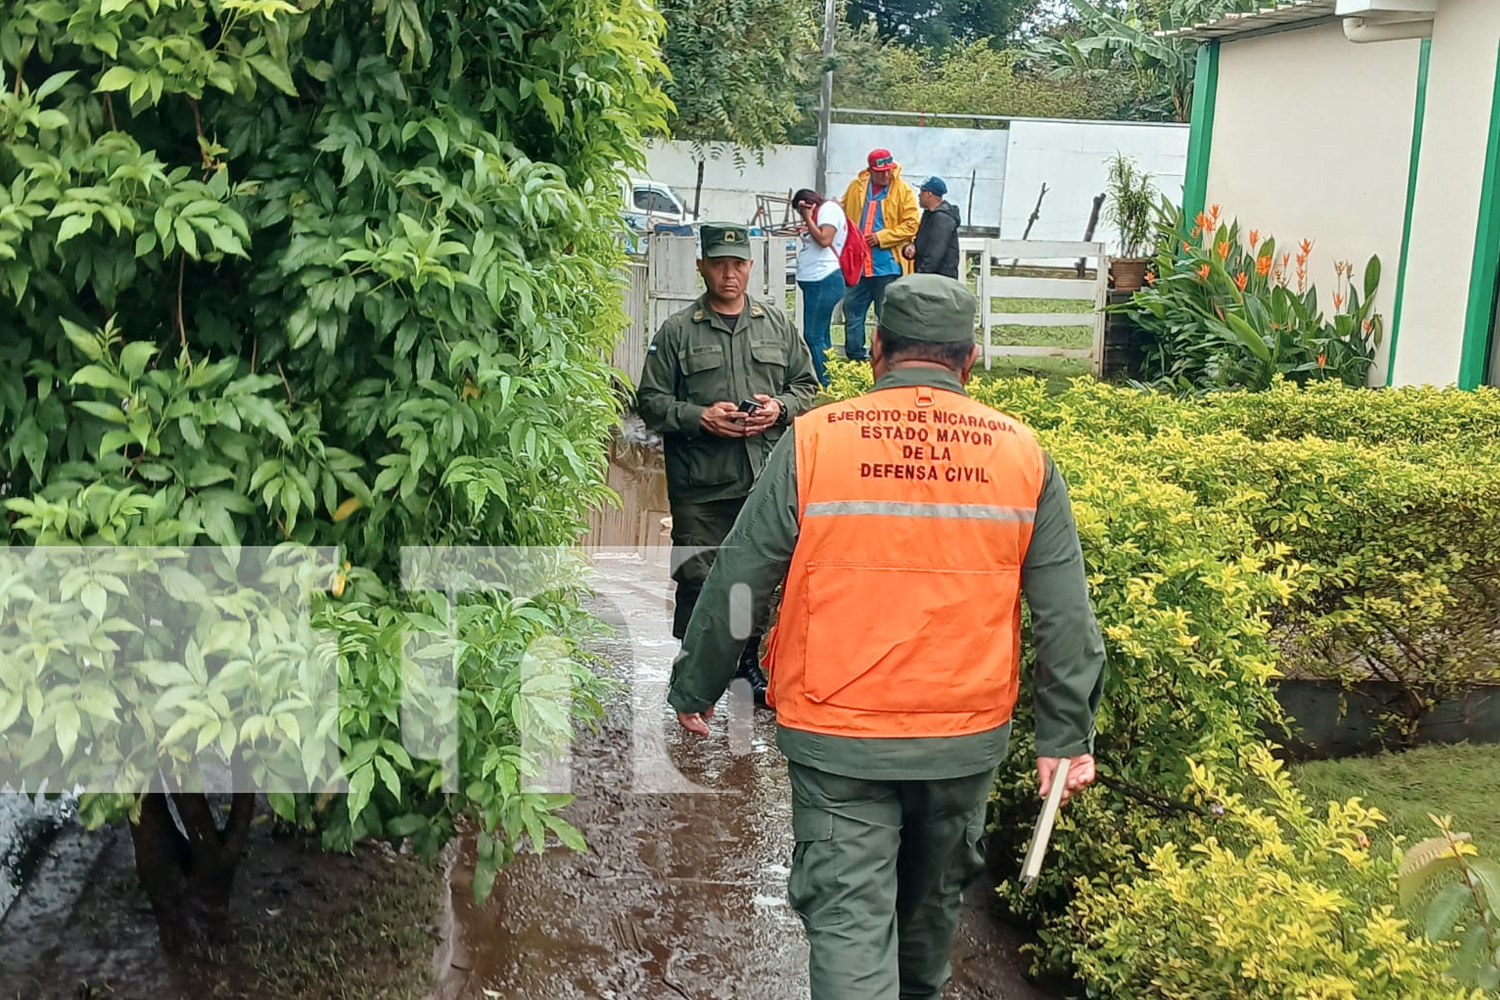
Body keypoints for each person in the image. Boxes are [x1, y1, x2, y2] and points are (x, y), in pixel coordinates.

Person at [666, 274, 1106, 1000]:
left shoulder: (815, 442)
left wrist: (699, 681)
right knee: (929, 919)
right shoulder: (1024, 455)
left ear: (876, 351)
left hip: (838, 736)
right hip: (962, 741)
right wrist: (1064, 735)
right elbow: (1065, 613)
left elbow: (741, 575)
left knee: (847, 921)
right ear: (969, 360)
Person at [637, 223, 822, 706]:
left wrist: (778, 409)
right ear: (702, 266)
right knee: (699, 577)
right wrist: (701, 418)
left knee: (757, 577)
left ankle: (745, 667)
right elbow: (651, 403)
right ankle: (694, 671)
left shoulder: (776, 326)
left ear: (750, 267)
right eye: (719, 263)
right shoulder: (677, 332)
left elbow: (807, 388)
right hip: (702, 484)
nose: (729, 273)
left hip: (763, 479)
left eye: (737, 264)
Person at [839, 148, 919, 364]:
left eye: (889, 170)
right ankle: (855, 359)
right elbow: (842, 212)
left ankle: (884, 358)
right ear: (871, 170)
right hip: (858, 264)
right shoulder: (856, 188)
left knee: (887, 316)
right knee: (853, 312)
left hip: (888, 265)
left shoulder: (903, 191)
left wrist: (882, 237)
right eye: (881, 171)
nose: (886, 175)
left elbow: (912, 224)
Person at [792, 187, 848, 387]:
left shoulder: (828, 209)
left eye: (802, 209)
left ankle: (826, 383)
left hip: (824, 279)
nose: (802, 214)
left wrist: (808, 218)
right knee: (822, 335)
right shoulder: (820, 214)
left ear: (809, 202)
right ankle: (831, 378)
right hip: (816, 280)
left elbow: (825, 240)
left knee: (813, 335)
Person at [905, 177, 962, 280]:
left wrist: (919, 277)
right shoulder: (929, 215)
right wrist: (912, 247)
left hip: (939, 281)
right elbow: (924, 243)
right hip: (931, 279)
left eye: (922, 191)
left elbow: (935, 254)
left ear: (929, 194)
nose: (919, 195)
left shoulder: (942, 219)